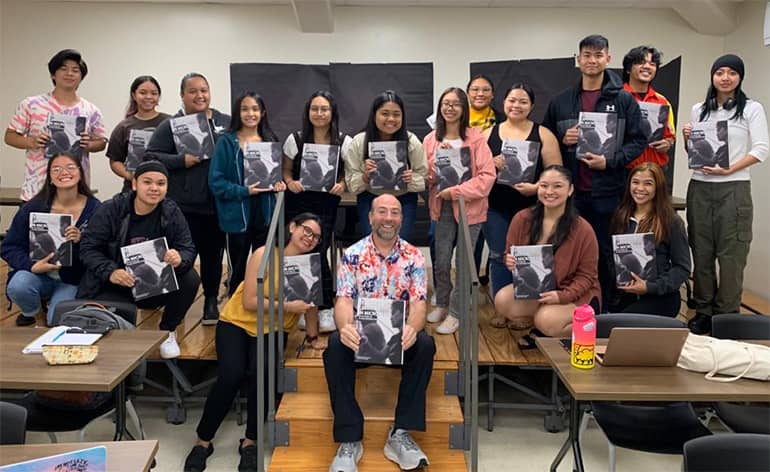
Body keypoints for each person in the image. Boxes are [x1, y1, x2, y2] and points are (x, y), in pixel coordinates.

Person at [183, 213, 323, 472]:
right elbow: (249, 301)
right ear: (292, 227)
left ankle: (250, 442)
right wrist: (288, 306)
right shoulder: (265, 254)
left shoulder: (308, 266)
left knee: (264, 374)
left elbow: (311, 307)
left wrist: (313, 338)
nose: (309, 238)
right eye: (306, 230)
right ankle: (203, 441)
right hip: (237, 322)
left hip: (274, 327)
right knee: (230, 374)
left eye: (315, 236)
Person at [324, 194, 434, 471]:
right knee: (336, 345)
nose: (388, 218)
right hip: (363, 338)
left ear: (402, 218)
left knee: (425, 344)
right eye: (382, 212)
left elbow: (420, 303)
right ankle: (350, 439)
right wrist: (345, 326)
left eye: (395, 212)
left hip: (398, 339)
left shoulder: (414, 256)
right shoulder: (352, 255)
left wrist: (412, 328)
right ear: (370, 217)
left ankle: (401, 433)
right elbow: (344, 300)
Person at [542, 34, 646, 309]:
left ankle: (606, 308)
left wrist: (610, 161)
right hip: (570, 195)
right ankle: (569, 306)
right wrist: (563, 140)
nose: (592, 60)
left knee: (606, 253)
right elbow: (545, 138)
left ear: (608, 59)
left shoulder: (624, 100)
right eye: (586, 55)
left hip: (608, 192)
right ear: (578, 60)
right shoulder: (561, 101)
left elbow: (638, 141)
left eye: (598, 55)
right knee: (566, 252)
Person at [77, 161, 199, 359]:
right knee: (118, 336)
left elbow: (188, 247)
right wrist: (111, 272)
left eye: (161, 183)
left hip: (155, 283)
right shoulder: (112, 209)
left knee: (190, 278)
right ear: (134, 184)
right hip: (118, 284)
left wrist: (179, 258)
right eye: (147, 182)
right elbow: (88, 248)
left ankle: (166, 332)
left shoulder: (171, 211)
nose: (154, 188)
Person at [682, 54, 768, 334]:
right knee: (702, 250)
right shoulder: (699, 109)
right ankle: (704, 310)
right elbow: (695, 154)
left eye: (732, 72)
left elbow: (761, 149)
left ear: (740, 77)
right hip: (700, 186)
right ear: (712, 76)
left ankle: (727, 314)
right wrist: (687, 138)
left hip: (734, 188)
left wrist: (730, 169)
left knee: (731, 254)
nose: (726, 77)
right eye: (720, 72)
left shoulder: (751, 109)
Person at [145, 72, 230, 325]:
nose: (199, 95)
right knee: (181, 258)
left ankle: (211, 301)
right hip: (182, 208)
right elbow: (151, 156)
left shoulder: (224, 121)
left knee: (213, 256)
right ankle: (175, 304)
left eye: (204, 90)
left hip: (216, 205)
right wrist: (181, 161)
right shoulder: (171, 125)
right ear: (182, 95)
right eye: (193, 91)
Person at [494, 165, 600, 350]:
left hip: (575, 293)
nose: (549, 191)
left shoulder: (583, 229)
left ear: (570, 190)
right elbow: (508, 254)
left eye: (557, 186)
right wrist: (509, 262)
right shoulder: (522, 219)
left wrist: (562, 296)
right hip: (540, 289)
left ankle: (583, 325)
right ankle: (546, 323)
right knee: (502, 300)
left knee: (546, 319)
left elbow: (587, 276)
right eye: (544, 186)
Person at [484, 83, 562, 328]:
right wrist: (491, 165)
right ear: (504, 102)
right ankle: (502, 309)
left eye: (522, 101)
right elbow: (477, 173)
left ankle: (528, 312)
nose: (516, 105)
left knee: (530, 259)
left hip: (533, 209)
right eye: (512, 100)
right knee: (499, 257)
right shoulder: (489, 134)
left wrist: (537, 188)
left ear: (532, 106)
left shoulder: (543, 134)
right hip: (495, 207)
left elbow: (557, 173)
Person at [422, 87, 495, 335]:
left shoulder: (476, 138)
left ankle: (456, 312)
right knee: (440, 261)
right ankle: (442, 302)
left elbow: (487, 177)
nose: (450, 108)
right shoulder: (431, 139)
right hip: (440, 208)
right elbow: (427, 178)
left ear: (464, 109)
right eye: (445, 103)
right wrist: (434, 167)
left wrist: (455, 192)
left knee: (463, 263)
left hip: (469, 210)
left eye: (456, 104)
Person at [1, 152, 100, 326]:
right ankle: (36, 315)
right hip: (38, 275)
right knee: (18, 285)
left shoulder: (96, 208)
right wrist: (31, 266)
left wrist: (81, 240)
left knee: (57, 319)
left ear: (80, 173)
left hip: (73, 280)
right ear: (50, 178)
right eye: (56, 169)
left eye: (70, 167)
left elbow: (103, 250)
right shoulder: (33, 207)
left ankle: (50, 316)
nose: (64, 172)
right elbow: (9, 247)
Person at [282, 90, 351, 332]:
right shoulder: (296, 139)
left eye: (324, 109)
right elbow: (287, 170)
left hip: (326, 204)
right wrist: (290, 182)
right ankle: (301, 306)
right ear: (308, 112)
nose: (319, 113)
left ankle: (324, 308)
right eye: (315, 108)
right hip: (298, 203)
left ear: (332, 113)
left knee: (319, 252)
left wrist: (343, 183)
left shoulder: (344, 141)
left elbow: (349, 173)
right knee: (298, 253)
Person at [208, 92, 286, 301]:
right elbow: (216, 183)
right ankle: (233, 312)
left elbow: (275, 177)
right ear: (237, 112)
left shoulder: (270, 141)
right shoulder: (226, 142)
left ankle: (257, 315)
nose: (250, 113)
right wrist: (244, 191)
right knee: (238, 270)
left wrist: (278, 185)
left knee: (263, 269)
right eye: (244, 109)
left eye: (255, 109)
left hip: (265, 215)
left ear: (263, 113)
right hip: (237, 218)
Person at [5, 49, 107, 202]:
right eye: (63, 69)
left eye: (75, 70)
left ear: (81, 77)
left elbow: (101, 142)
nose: (69, 73)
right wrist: (32, 142)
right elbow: (10, 136)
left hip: (75, 191)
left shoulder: (91, 110)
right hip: (37, 189)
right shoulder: (32, 104)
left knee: (74, 227)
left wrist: (89, 145)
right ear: (53, 74)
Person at [343, 90, 427, 243]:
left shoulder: (411, 141)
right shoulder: (359, 141)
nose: (391, 119)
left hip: (403, 199)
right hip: (370, 198)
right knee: (373, 244)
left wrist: (411, 178)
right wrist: (365, 177)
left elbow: (424, 176)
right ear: (374, 114)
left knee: (400, 246)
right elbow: (351, 182)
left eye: (396, 114)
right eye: (385, 113)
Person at [608, 163, 690, 317]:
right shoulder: (620, 216)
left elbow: (682, 268)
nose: (640, 188)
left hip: (659, 296)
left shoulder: (671, 221)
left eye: (648, 184)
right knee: (605, 325)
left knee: (621, 325)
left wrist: (649, 287)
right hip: (624, 295)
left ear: (658, 187)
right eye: (635, 182)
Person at [106, 76, 170, 192]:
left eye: (154, 93)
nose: (148, 97)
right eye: (143, 93)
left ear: (158, 96)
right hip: (133, 189)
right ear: (134, 95)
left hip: (165, 188)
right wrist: (130, 176)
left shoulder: (170, 122)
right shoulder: (123, 127)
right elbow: (115, 160)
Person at [621, 45, 676, 168]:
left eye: (652, 64)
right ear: (628, 69)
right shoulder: (615, 98)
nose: (647, 66)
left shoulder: (662, 101)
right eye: (641, 62)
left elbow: (670, 137)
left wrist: (667, 144)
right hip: (622, 171)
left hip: (655, 169)